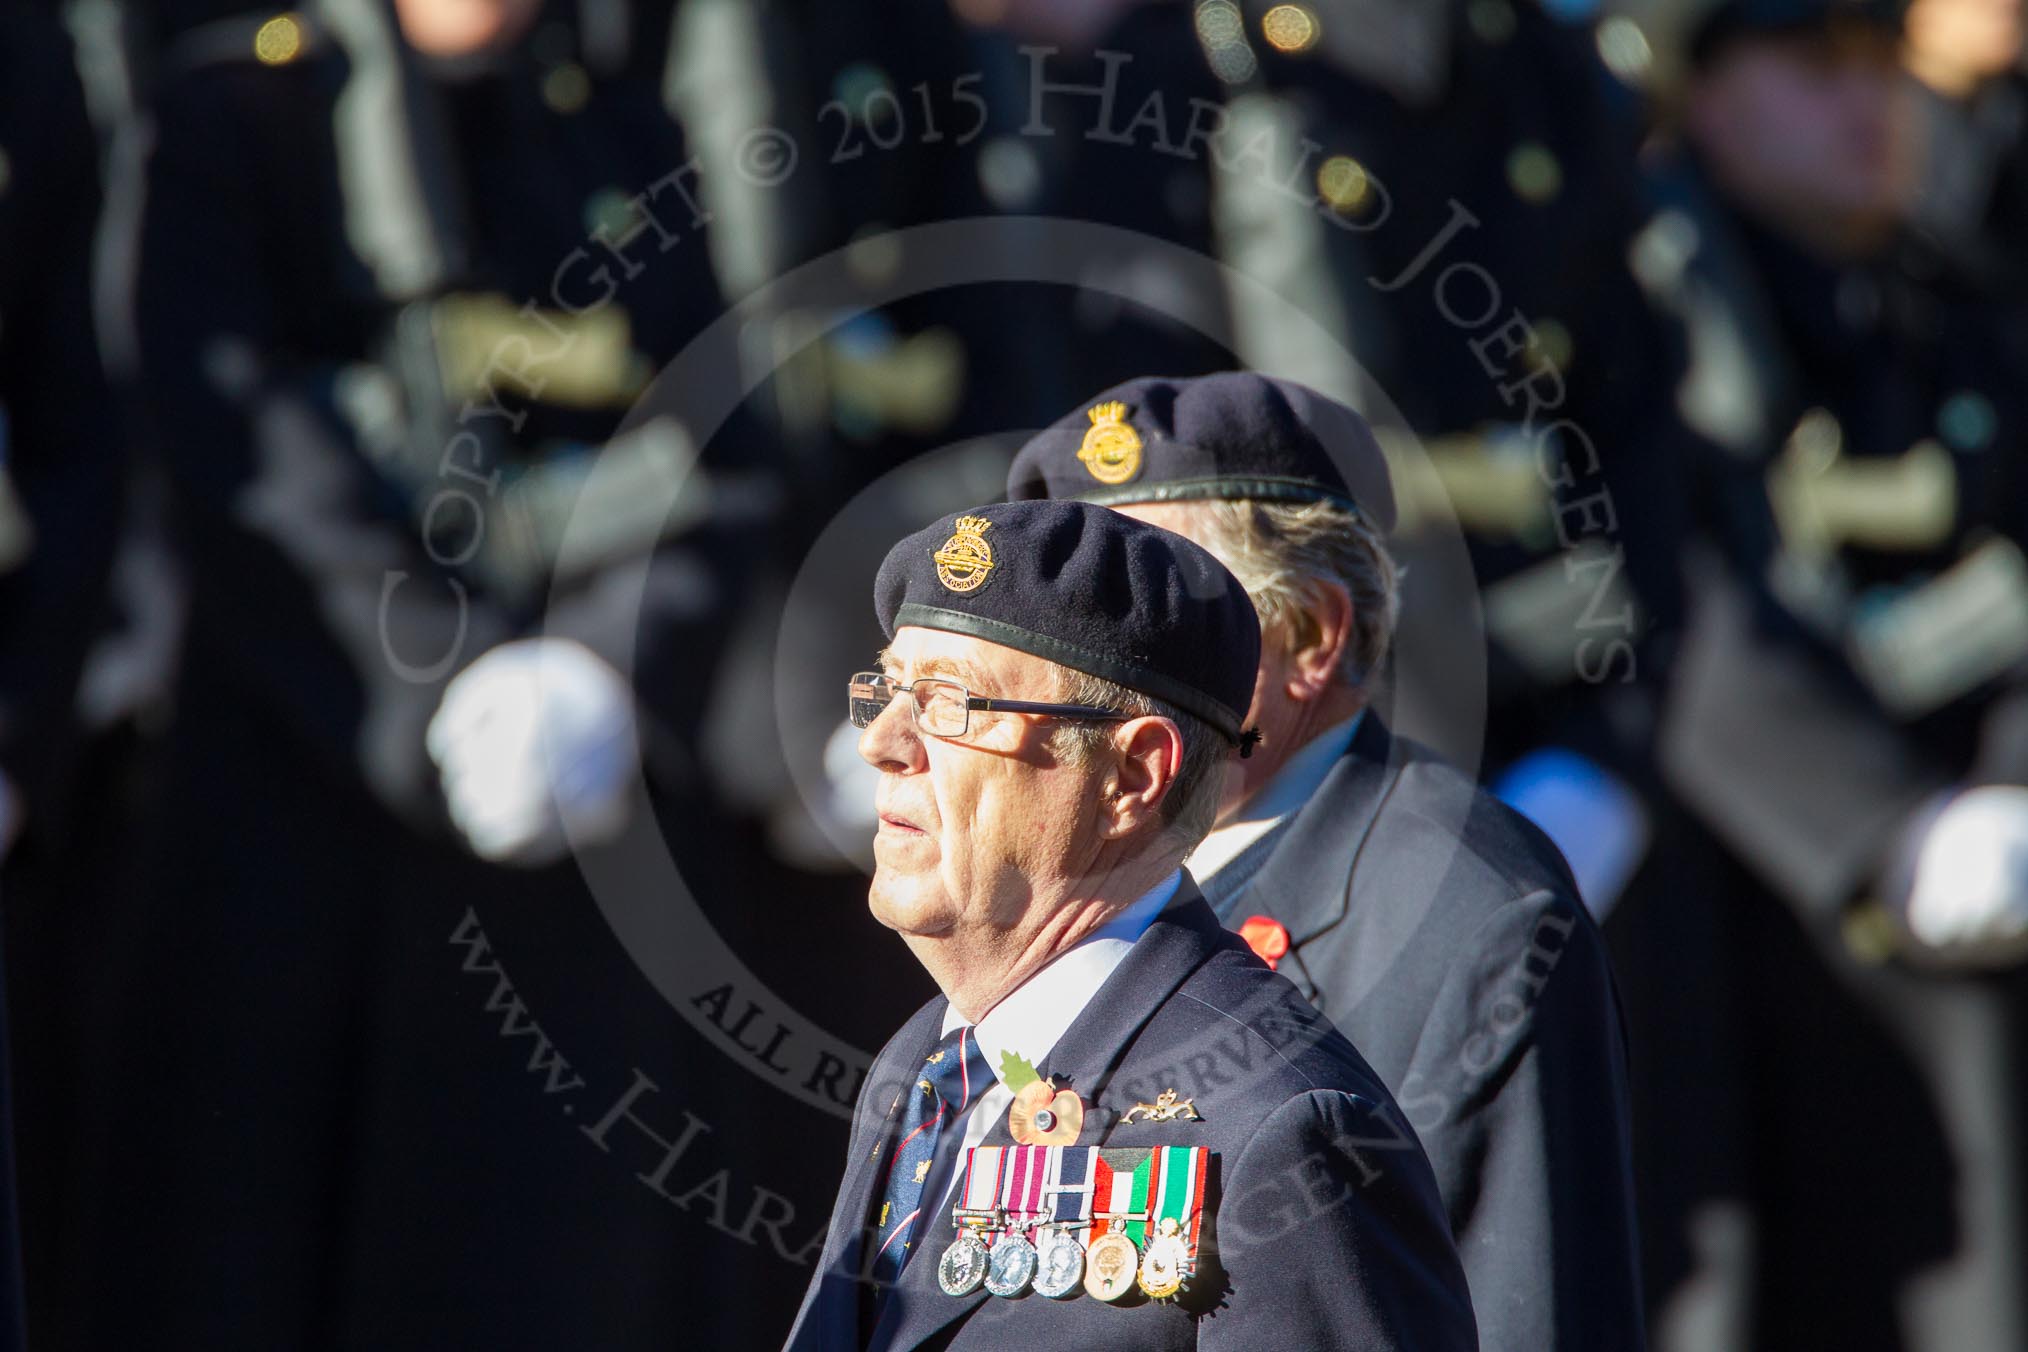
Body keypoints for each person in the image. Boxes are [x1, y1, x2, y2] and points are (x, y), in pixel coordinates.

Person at [1007, 371, 1644, 1351]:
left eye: (1141, 596)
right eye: (1058, 601)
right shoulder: (1042, 875)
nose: (1070, 655)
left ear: (1308, 633)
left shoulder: (1469, 916)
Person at [788, 499, 1476, 1350]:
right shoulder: (927, 1066)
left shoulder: (1280, 1128)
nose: (882, 743)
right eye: (891, 690)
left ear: (1132, 775)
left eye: (949, 701)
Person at [1634, 0, 2028, 1343]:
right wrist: (1873, 832)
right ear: (1706, 95)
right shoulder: (1651, 311)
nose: (1869, 103)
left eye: (1881, 63)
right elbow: (1658, 593)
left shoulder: (1943, 293)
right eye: (1815, 66)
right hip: (1767, 872)